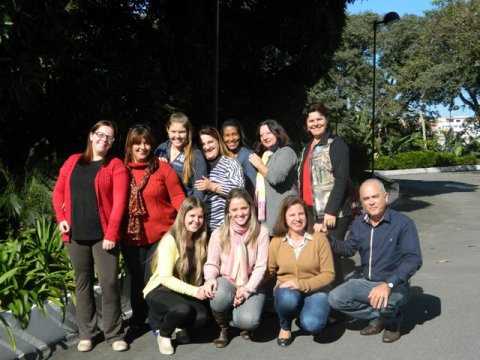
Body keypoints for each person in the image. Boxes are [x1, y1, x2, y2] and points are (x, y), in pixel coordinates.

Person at [52, 120, 129, 352]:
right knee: (82, 282)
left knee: (109, 282)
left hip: (104, 236)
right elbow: (58, 191)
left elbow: (119, 204)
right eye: (100, 135)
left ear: (112, 143)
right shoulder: (73, 161)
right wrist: (61, 218)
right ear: (91, 135)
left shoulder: (115, 166)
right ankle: (87, 333)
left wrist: (112, 233)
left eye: (109, 137)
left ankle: (114, 333)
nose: (104, 140)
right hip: (76, 234)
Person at [327, 178, 422, 343]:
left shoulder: (403, 223)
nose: (371, 202)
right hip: (367, 281)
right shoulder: (359, 224)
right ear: (362, 202)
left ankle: (392, 323)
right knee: (335, 298)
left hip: (395, 284)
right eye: (366, 199)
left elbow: (413, 259)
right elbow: (348, 249)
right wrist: (327, 238)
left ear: (385, 197)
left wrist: (388, 284)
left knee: (388, 303)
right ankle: (378, 317)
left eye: (374, 197)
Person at [123, 124, 186, 339]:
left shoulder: (162, 168)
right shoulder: (122, 170)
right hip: (132, 236)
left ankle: (158, 321)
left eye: (147, 142)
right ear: (129, 145)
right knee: (137, 279)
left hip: (162, 234)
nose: (143, 147)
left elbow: (177, 197)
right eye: (137, 143)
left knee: (156, 279)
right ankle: (138, 320)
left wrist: (187, 223)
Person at [203, 188, 269, 348]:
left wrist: (246, 290)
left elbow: (261, 267)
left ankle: (239, 320)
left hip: (251, 281)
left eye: (244, 208)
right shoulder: (219, 234)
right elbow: (212, 262)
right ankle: (224, 328)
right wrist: (210, 278)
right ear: (228, 212)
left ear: (250, 208)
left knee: (248, 321)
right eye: (235, 209)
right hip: (227, 280)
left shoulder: (261, 232)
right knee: (219, 295)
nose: (240, 213)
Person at [143, 196, 209, 355]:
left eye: (200, 216)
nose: (196, 220)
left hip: (179, 290)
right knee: (182, 309)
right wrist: (194, 292)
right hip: (160, 289)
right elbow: (165, 277)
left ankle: (179, 325)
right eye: (192, 216)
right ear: (183, 216)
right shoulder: (170, 240)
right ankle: (163, 334)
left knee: (201, 317)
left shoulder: (199, 241)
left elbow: (194, 275)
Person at [267, 195, 334, 347]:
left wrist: (302, 284)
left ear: (306, 215)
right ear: (284, 218)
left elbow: (329, 274)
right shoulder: (276, 242)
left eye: (301, 213)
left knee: (312, 324)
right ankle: (285, 326)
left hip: (317, 290)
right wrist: (247, 285)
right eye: (292, 215)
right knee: (286, 299)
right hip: (287, 290)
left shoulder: (319, 239)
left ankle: (307, 315)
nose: (297, 218)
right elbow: (268, 271)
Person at [299, 103, 351, 286]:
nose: (315, 124)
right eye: (311, 120)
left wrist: (331, 210)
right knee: (317, 258)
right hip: (310, 212)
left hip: (332, 213)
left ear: (326, 120)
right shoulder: (306, 148)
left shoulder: (336, 145)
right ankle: (321, 299)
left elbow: (342, 179)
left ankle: (339, 308)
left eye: (319, 119)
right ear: (306, 124)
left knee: (331, 257)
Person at [248, 119, 298, 235]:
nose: (265, 137)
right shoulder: (266, 156)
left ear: (278, 133)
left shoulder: (287, 152)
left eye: (268, 133)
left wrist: (259, 165)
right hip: (267, 219)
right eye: (261, 135)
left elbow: (275, 177)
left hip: (283, 216)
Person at [195, 126, 245, 233]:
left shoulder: (231, 164)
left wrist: (212, 186)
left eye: (210, 142)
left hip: (224, 229)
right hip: (199, 228)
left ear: (218, 141)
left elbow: (239, 191)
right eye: (203, 144)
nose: (207, 147)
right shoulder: (197, 165)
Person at [154, 112, 208, 199]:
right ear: (167, 130)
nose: (177, 136)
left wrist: (193, 211)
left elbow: (200, 191)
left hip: (184, 208)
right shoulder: (162, 148)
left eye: (182, 132)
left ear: (188, 132)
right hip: (164, 207)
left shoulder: (195, 154)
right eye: (173, 131)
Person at [220, 119, 257, 196]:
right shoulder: (221, 156)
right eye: (227, 135)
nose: (231, 139)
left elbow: (253, 186)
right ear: (222, 138)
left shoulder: (247, 155)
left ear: (240, 135)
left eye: (234, 134)